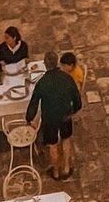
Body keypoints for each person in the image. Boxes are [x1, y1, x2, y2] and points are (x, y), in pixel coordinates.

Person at [25, 49, 82, 181]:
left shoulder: (42, 83)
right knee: (66, 139)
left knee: (52, 144)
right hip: (65, 115)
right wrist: (73, 111)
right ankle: (66, 167)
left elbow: (34, 103)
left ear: (45, 64)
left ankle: (56, 171)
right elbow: (77, 100)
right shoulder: (67, 78)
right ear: (57, 62)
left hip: (49, 118)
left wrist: (29, 118)